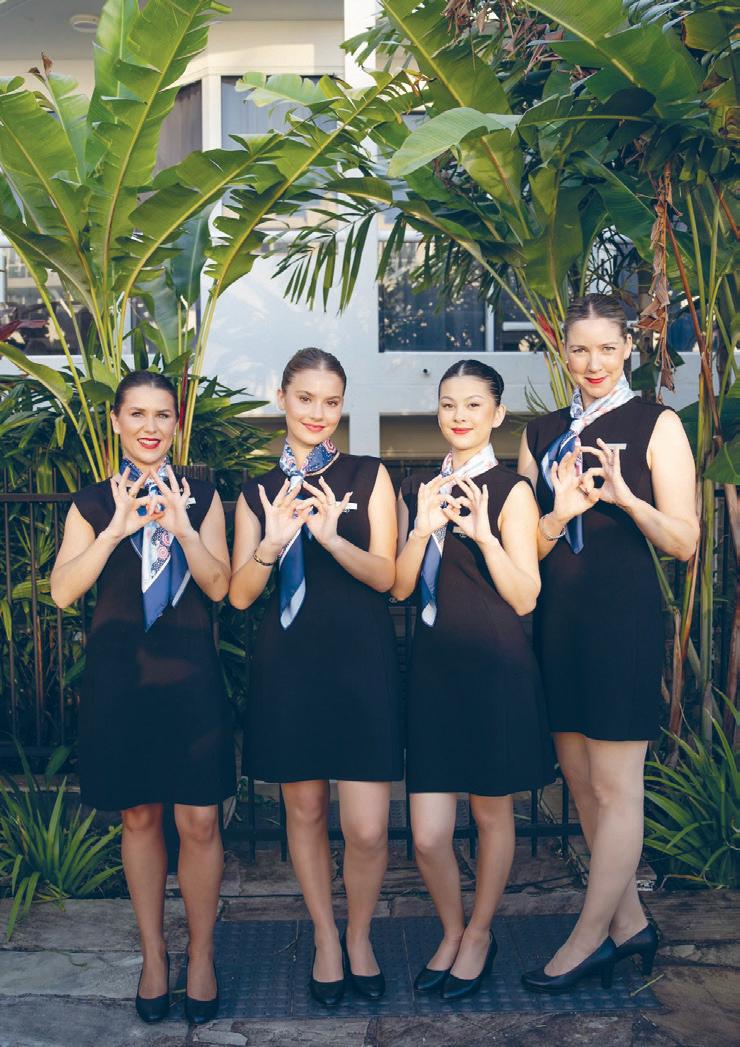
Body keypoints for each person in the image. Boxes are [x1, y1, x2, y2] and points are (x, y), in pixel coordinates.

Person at [517, 293, 699, 993]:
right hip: (558, 620)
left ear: (629, 349)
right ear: (563, 353)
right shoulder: (540, 434)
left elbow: (685, 541)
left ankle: (586, 940)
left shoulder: (656, 424)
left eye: (606, 348)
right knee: (582, 781)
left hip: (622, 620)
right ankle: (630, 926)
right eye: (579, 349)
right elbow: (526, 545)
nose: (593, 363)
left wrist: (627, 498)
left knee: (617, 785)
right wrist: (555, 515)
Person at [51, 371, 234, 1025]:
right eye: (137, 414)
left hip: (190, 674)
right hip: (121, 676)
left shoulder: (202, 496)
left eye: (162, 415)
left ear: (177, 423)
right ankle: (155, 956)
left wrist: (184, 529)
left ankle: (202, 955)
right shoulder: (91, 503)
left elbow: (220, 585)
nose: (150, 427)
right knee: (139, 816)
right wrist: (113, 531)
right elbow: (62, 592)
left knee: (201, 820)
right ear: (117, 422)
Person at [229, 347, 402, 1007]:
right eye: (306, 399)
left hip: (360, 660)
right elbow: (240, 595)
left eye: (331, 401)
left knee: (367, 827)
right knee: (303, 811)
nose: (318, 413)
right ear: (282, 398)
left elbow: (386, 576)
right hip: (289, 663)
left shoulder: (368, 474)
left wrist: (330, 537)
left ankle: (361, 934)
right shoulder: (255, 491)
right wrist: (271, 545)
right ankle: (327, 937)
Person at [393, 359, 554, 1000]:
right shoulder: (417, 487)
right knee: (428, 832)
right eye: (448, 404)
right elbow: (400, 587)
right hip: (433, 669)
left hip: (494, 666)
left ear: (497, 414)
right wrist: (421, 529)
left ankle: (480, 934)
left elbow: (526, 596)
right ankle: (452, 928)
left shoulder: (512, 490)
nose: (459, 416)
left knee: (491, 813)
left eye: (473, 405)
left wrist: (485, 538)